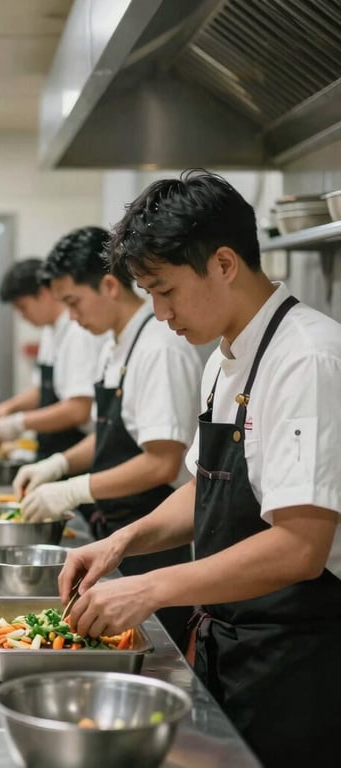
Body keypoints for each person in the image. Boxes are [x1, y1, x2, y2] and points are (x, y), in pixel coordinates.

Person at [58, 170, 341, 768]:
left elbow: (300, 547)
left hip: (299, 662)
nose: (160, 314)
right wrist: (121, 543)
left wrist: (151, 587)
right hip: (235, 646)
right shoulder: (225, 358)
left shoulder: (310, 358)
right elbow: (204, 487)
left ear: (224, 264)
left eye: (165, 291)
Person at [14, 225, 201, 648]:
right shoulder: (115, 345)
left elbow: (161, 462)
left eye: (74, 303)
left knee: (156, 657)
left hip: (157, 541)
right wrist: (57, 465)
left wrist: (73, 489)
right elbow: (106, 432)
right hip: (120, 532)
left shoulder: (160, 349)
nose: (74, 317)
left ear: (110, 286)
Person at [0, 255, 104, 459]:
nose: (23, 316)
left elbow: (78, 409)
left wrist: (19, 423)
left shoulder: (77, 332)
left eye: (23, 307)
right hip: (52, 447)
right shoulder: (50, 331)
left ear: (44, 293)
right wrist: (8, 408)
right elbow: (44, 390)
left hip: (76, 449)